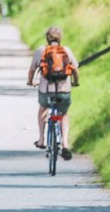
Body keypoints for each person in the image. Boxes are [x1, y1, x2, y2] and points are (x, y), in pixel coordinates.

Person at [26, 26, 79, 160]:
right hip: (63, 90)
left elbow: (32, 70)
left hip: (46, 90)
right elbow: (75, 68)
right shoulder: (66, 50)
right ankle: (65, 144)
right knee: (64, 114)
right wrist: (75, 82)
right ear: (60, 38)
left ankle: (42, 139)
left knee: (43, 109)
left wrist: (30, 82)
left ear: (47, 38)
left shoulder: (41, 51)